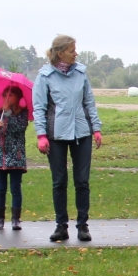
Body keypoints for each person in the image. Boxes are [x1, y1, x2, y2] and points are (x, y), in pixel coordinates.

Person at [32, 34, 102, 243]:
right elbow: (39, 108)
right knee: (59, 181)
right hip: (56, 135)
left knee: (82, 181)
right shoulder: (45, 77)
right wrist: (41, 135)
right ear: (60, 53)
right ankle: (61, 226)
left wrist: (96, 129)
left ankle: (83, 225)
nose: (76, 53)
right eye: (72, 50)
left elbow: (89, 102)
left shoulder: (81, 73)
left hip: (81, 132)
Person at [0, 83, 30, 231]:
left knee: (15, 188)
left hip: (16, 158)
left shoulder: (22, 114)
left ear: (17, 98)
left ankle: (16, 219)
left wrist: (8, 116)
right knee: (0, 188)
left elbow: (19, 128)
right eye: (4, 95)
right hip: (0, 158)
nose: (6, 98)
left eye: (10, 95)